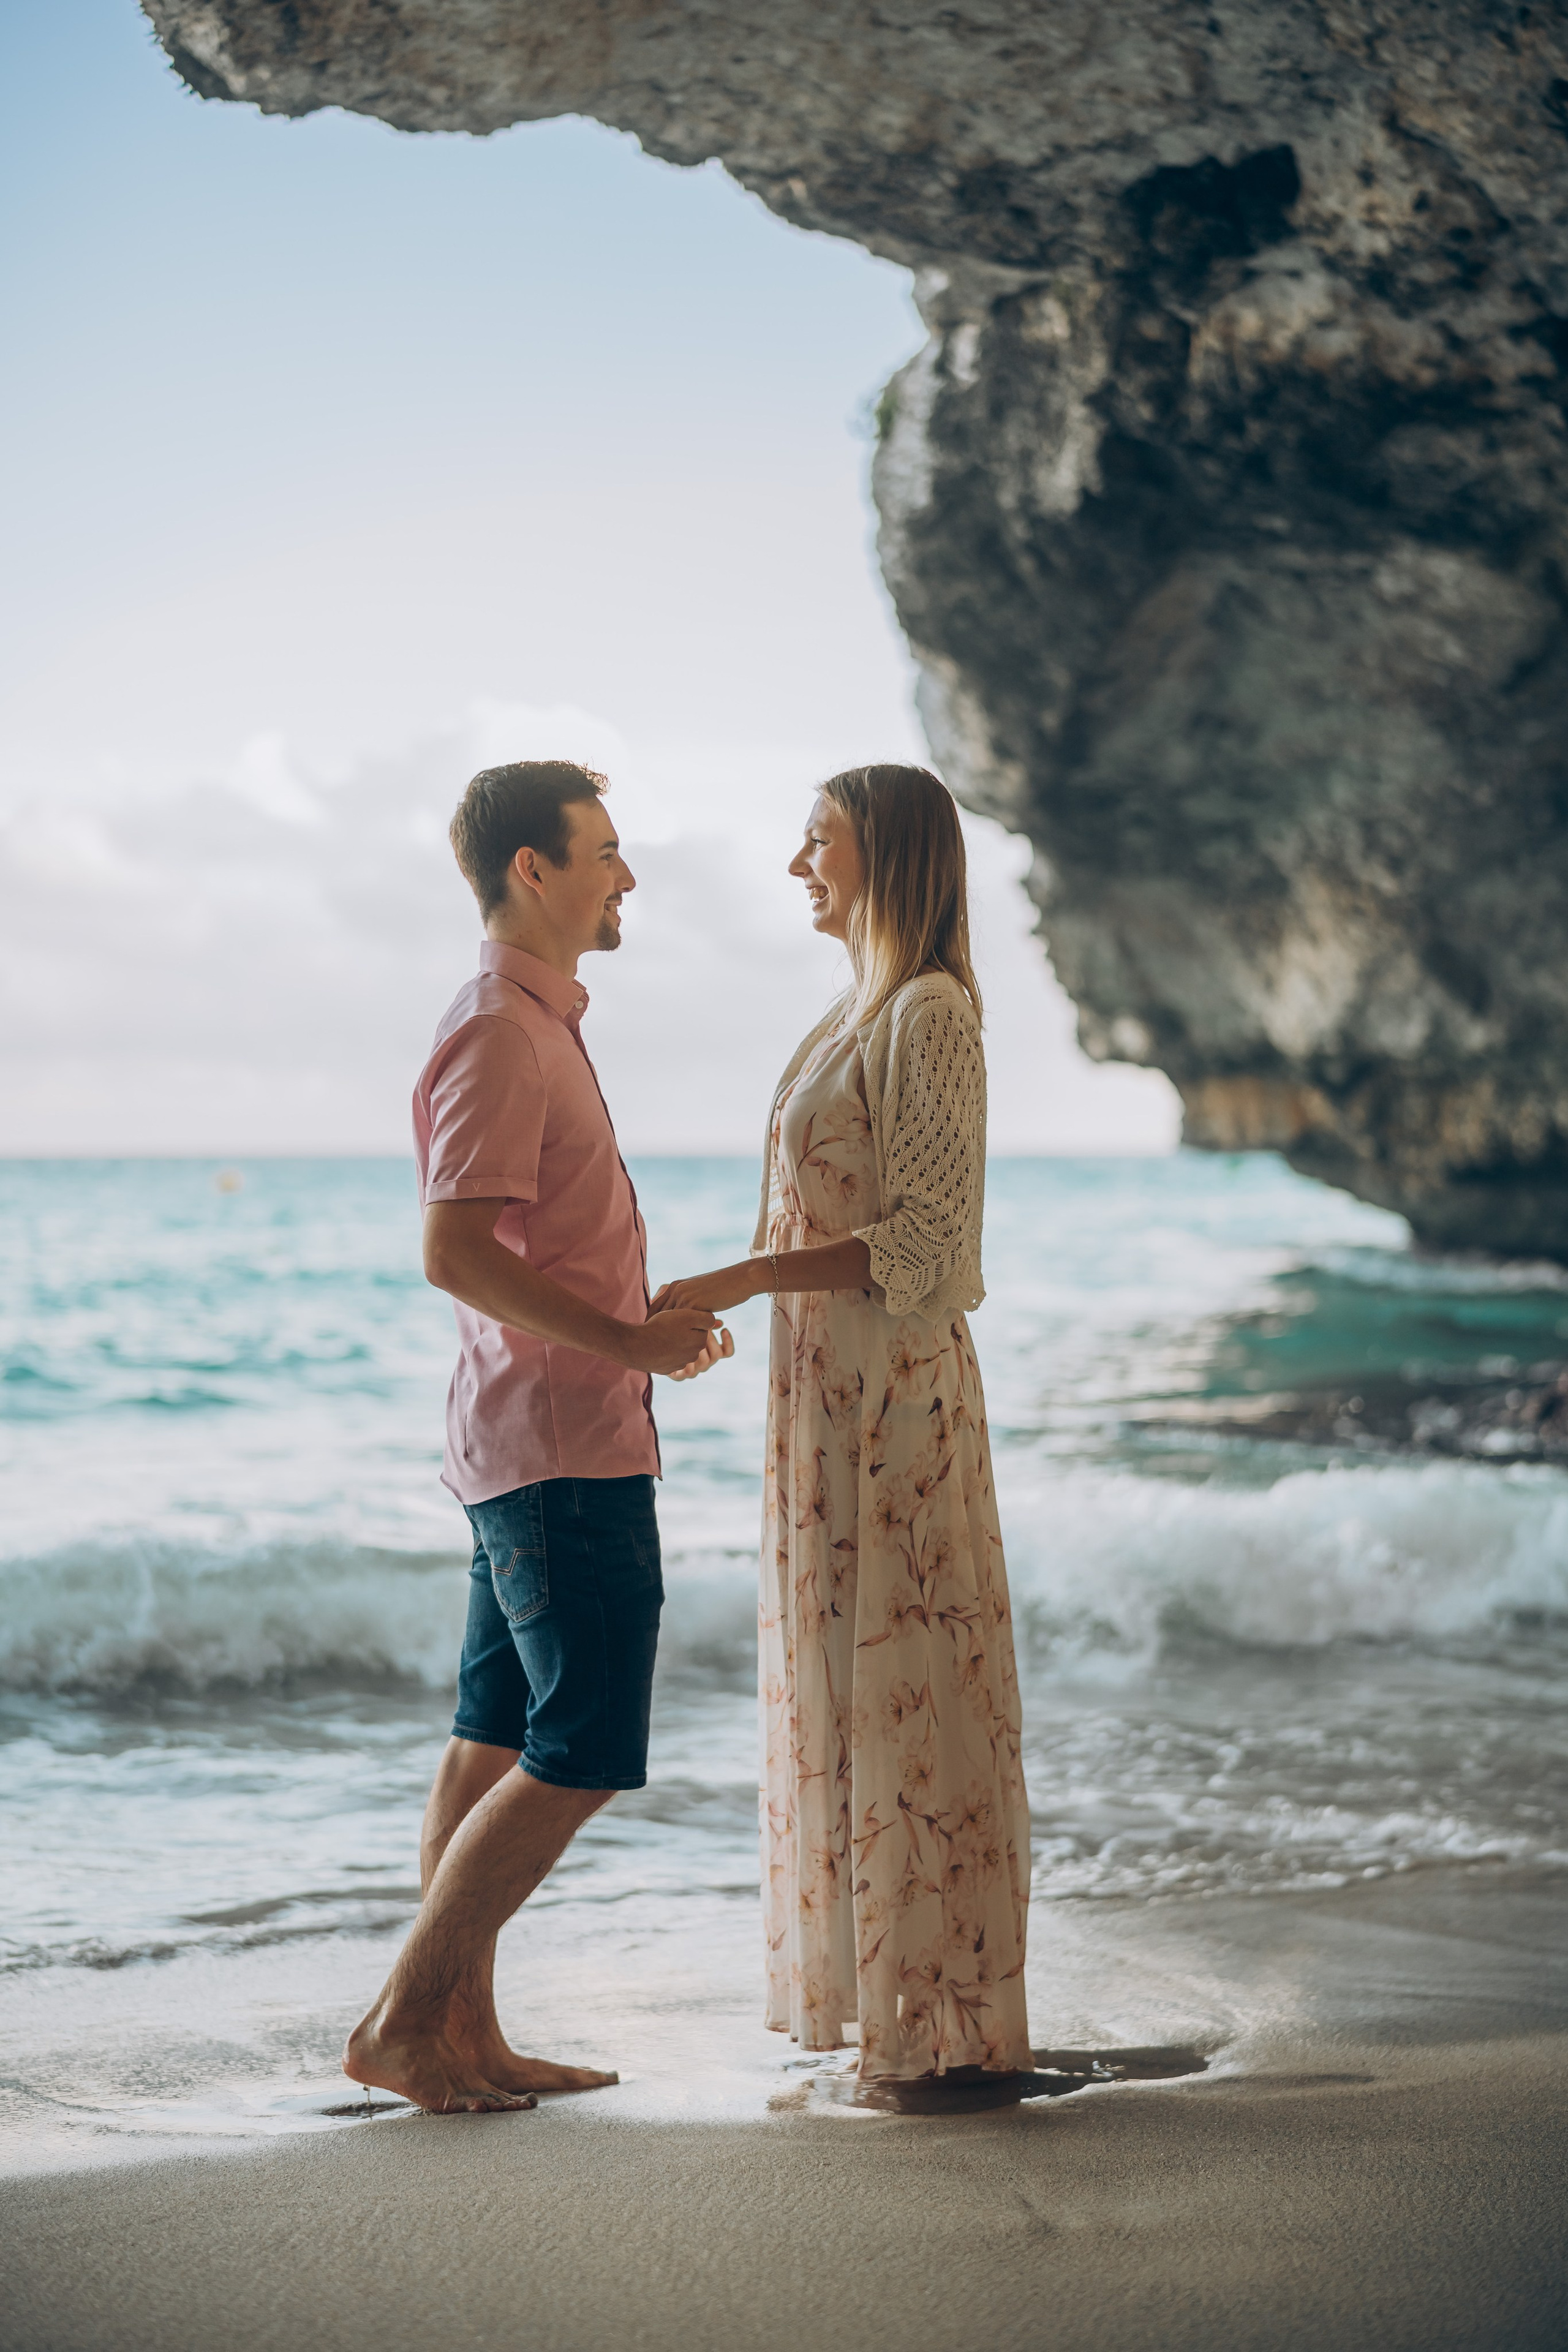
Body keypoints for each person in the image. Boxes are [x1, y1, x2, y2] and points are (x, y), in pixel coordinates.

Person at [344, 758, 731, 2116]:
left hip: (539, 1440)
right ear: (534, 869)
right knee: (583, 1746)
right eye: (606, 852)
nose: (625, 876)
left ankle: (462, 2032)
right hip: (559, 1448)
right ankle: (406, 2017)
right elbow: (453, 1250)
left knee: (494, 1732)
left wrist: (639, 1312)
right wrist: (625, 1345)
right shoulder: (501, 1028)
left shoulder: (538, 1022)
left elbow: (529, 1236)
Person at [653, 763, 1031, 2082]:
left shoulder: (925, 1014)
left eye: (817, 841)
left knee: (907, 1682)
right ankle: (892, 2010)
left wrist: (746, 1278)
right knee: (849, 1681)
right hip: (826, 1395)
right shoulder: (848, 1011)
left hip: (894, 1400)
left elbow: (931, 1247)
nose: (795, 863)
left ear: (883, 853)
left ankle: (940, 2025)